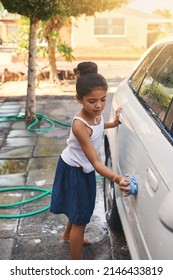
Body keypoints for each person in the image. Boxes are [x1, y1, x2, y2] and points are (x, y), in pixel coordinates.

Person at [50, 61, 130, 260]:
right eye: (92, 101)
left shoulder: (96, 115)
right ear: (79, 99)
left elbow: (101, 126)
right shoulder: (80, 126)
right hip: (73, 170)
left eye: (103, 99)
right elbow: (96, 162)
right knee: (81, 218)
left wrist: (115, 122)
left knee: (79, 208)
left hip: (83, 169)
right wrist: (117, 178)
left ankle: (68, 234)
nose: (99, 105)